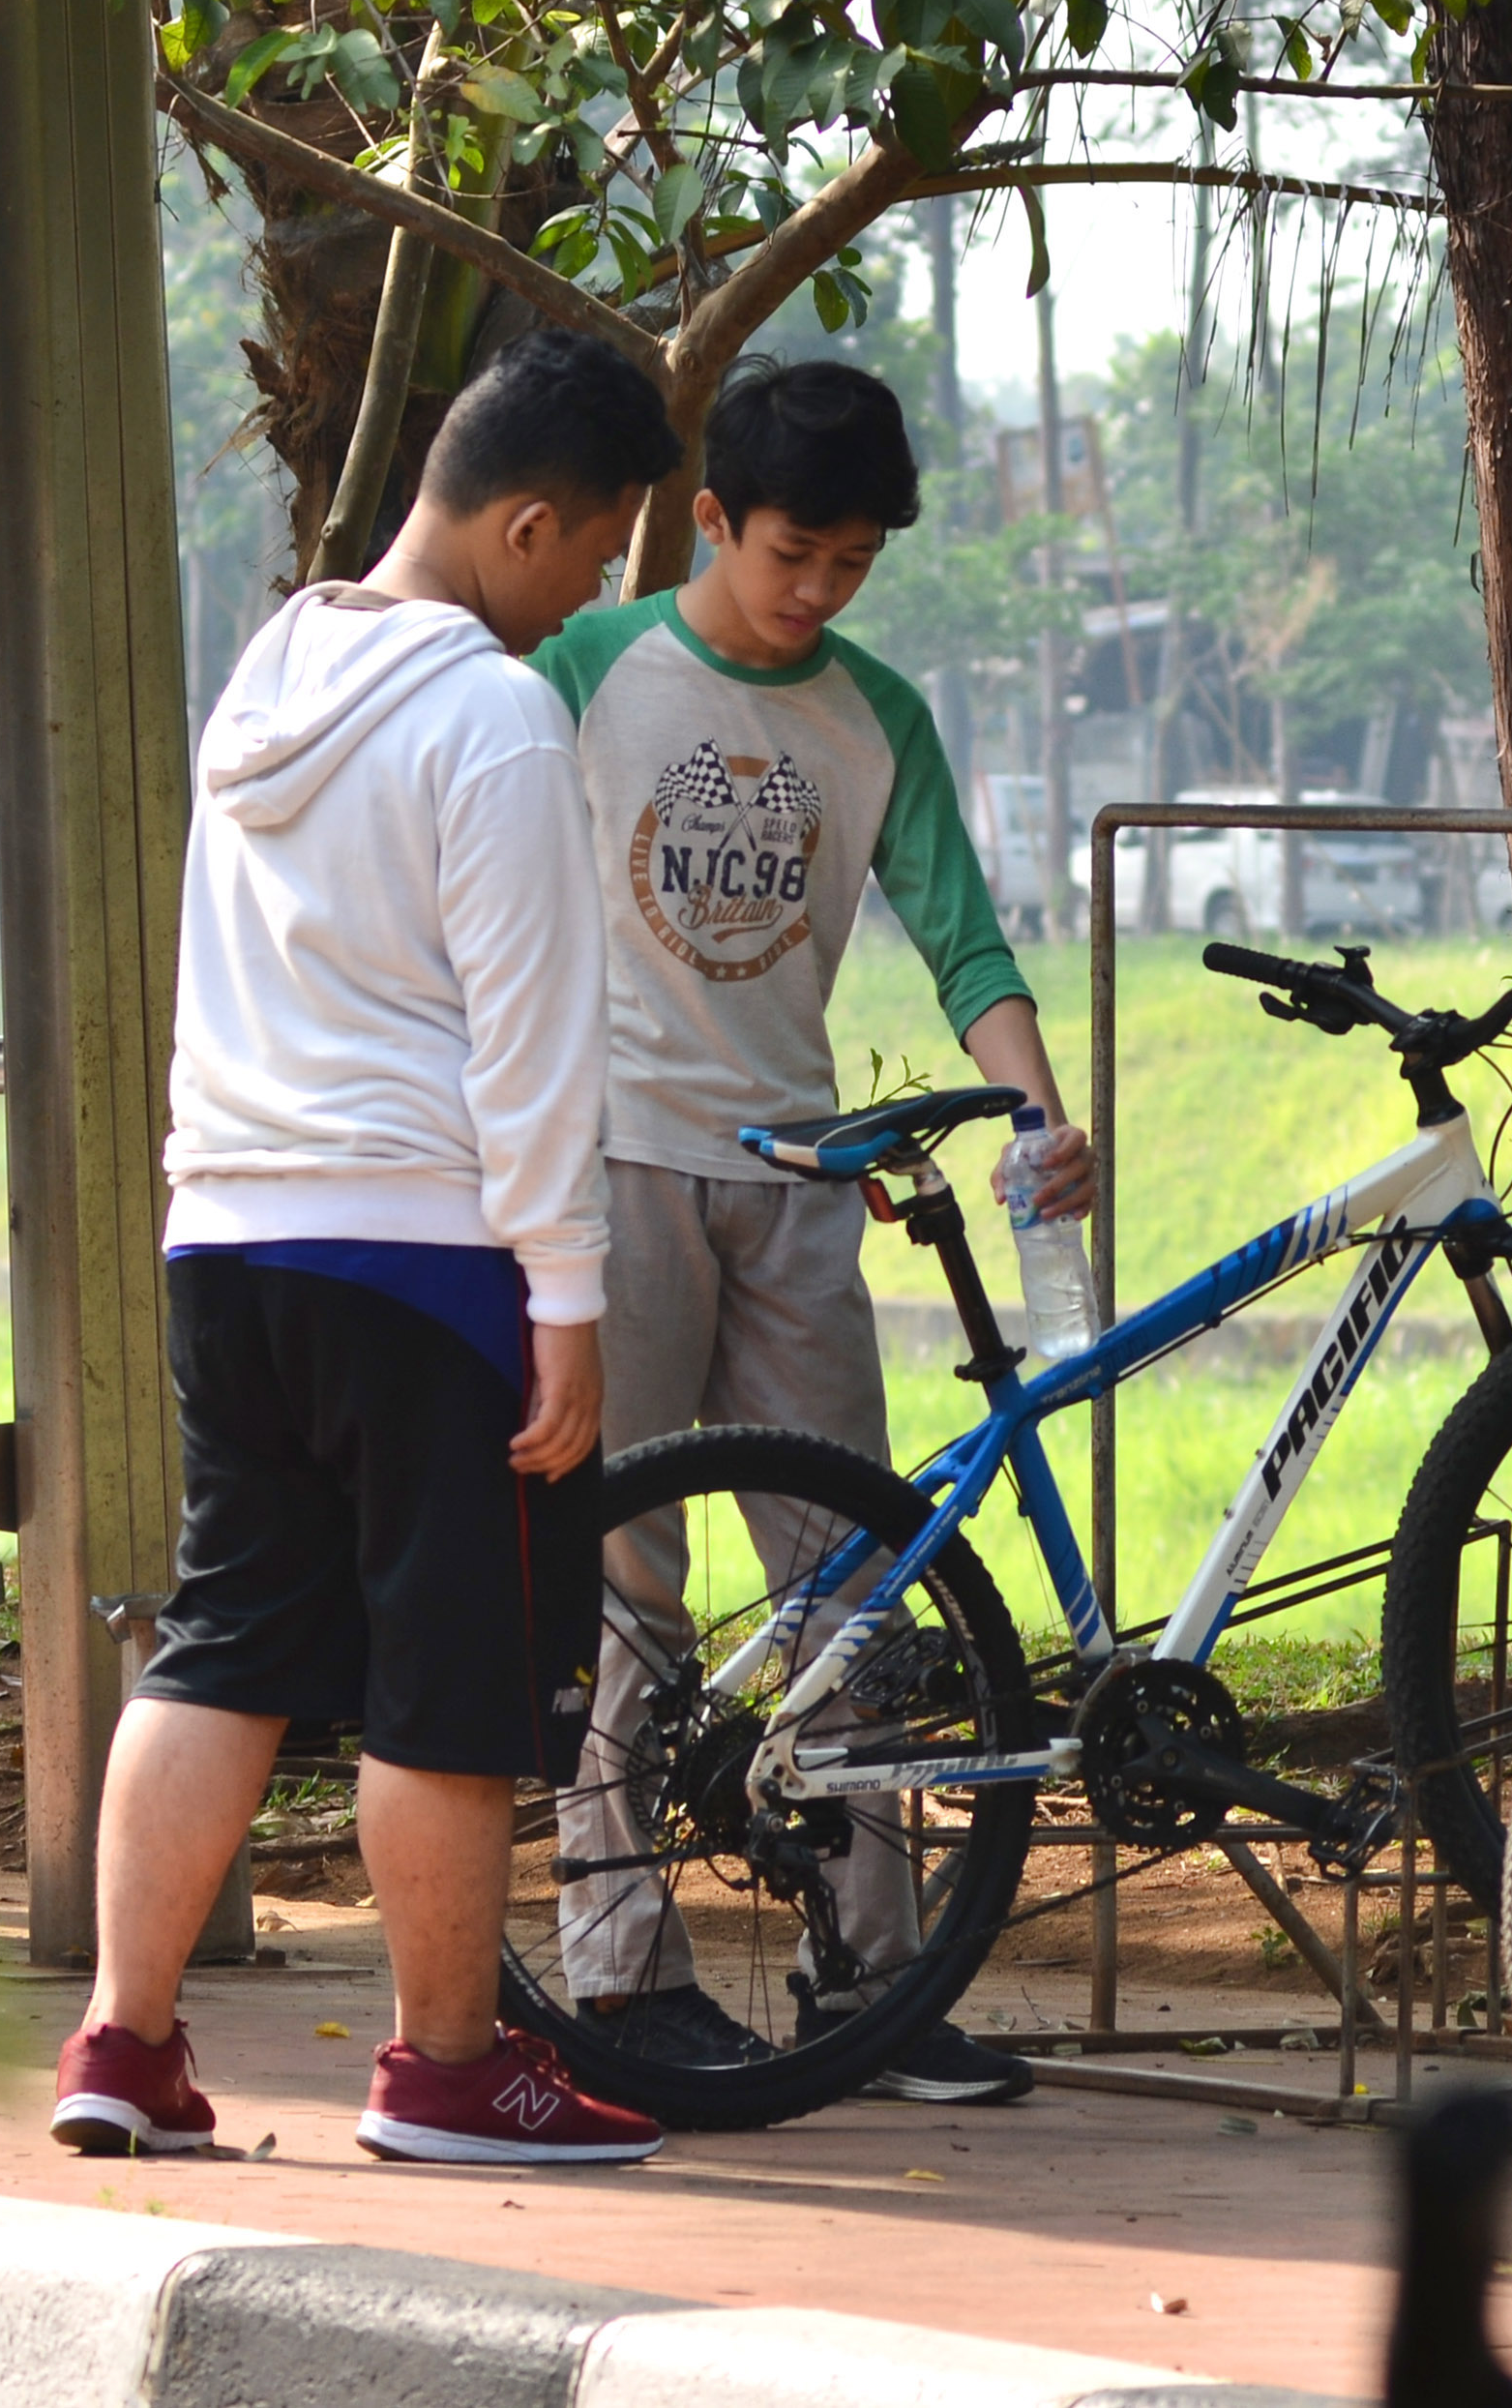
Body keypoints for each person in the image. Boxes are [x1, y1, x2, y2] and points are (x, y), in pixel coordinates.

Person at [48, 330, 679, 2167]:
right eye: (596, 551)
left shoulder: (276, 668)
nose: (592, 596)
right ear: (532, 521)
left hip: (229, 1236)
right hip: (418, 1250)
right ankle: (445, 2068)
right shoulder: (490, 712)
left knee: (227, 1640)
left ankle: (123, 2042)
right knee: (445, 1669)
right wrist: (568, 1298)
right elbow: (535, 1033)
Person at [532, 354, 1094, 2106]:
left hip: (797, 1179)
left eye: (852, 565)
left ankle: (878, 1980)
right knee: (623, 1573)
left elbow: (965, 938)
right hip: (613, 1170)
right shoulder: (584, 672)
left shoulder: (875, 719)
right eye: (795, 554)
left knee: (856, 1580)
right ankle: (621, 1977)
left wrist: (1039, 1110)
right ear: (709, 520)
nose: (820, 592)